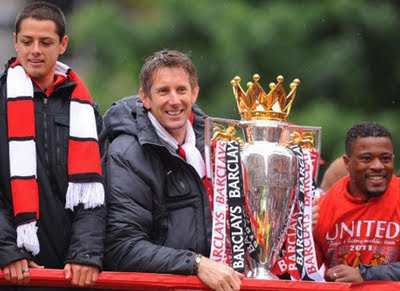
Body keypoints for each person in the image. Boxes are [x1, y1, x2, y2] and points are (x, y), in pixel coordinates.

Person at [103, 50, 244, 291]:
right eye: (163, 91)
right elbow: (121, 247)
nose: (174, 100)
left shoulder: (217, 145)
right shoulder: (125, 154)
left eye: (181, 90)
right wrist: (196, 264)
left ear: (195, 93)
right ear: (145, 98)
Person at [0, 2, 106, 289]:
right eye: (27, 41)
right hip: (12, 271)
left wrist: (84, 253)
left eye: (45, 42)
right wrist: (7, 250)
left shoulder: (84, 109)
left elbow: (96, 194)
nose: (35, 50)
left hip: (73, 273)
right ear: (15, 42)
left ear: (63, 45)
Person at [313, 121, 400, 282]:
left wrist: (365, 274)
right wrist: (300, 232)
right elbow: (304, 273)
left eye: (386, 158)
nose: (378, 166)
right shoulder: (322, 207)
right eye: (366, 159)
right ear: (347, 163)